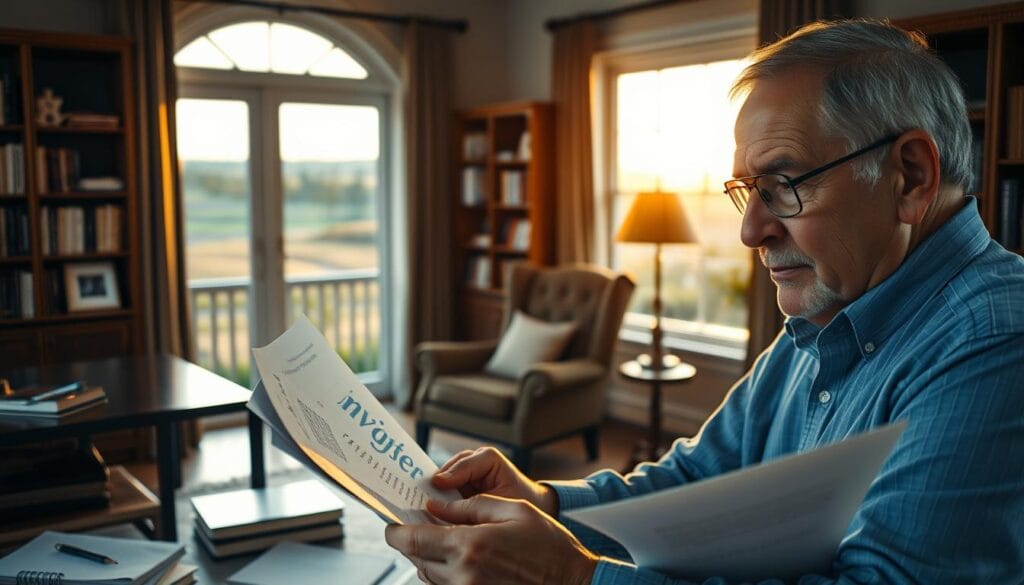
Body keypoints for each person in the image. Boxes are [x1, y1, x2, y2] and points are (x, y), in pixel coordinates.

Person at [386, 18, 1024, 584]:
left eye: (785, 184)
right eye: (748, 190)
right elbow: (698, 481)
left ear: (910, 175)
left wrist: (572, 578)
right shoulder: (827, 315)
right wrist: (542, 503)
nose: (752, 232)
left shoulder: (995, 338)